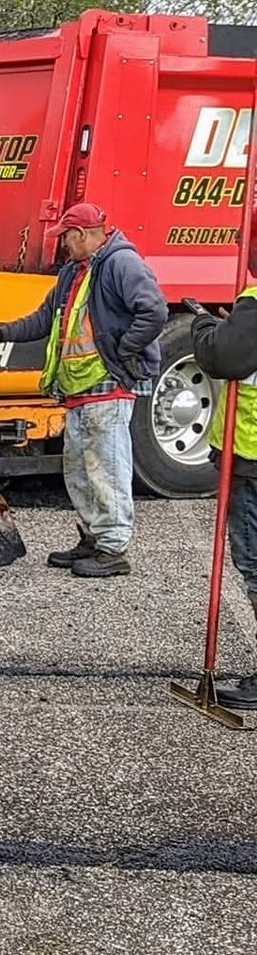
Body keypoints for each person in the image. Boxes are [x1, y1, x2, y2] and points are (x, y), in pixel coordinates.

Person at [0, 202, 166, 579]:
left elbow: (154, 312)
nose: (63, 245)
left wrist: (122, 349)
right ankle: (93, 538)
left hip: (107, 384)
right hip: (80, 388)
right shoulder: (74, 272)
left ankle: (113, 548)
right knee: (79, 469)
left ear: (83, 234)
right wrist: (0, 334)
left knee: (106, 467)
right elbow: (45, 319)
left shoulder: (121, 264)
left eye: (66, 237)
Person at [188, 239, 257, 710]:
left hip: (252, 457)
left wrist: (204, 325)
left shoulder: (254, 303)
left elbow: (224, 359)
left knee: (254, 565)